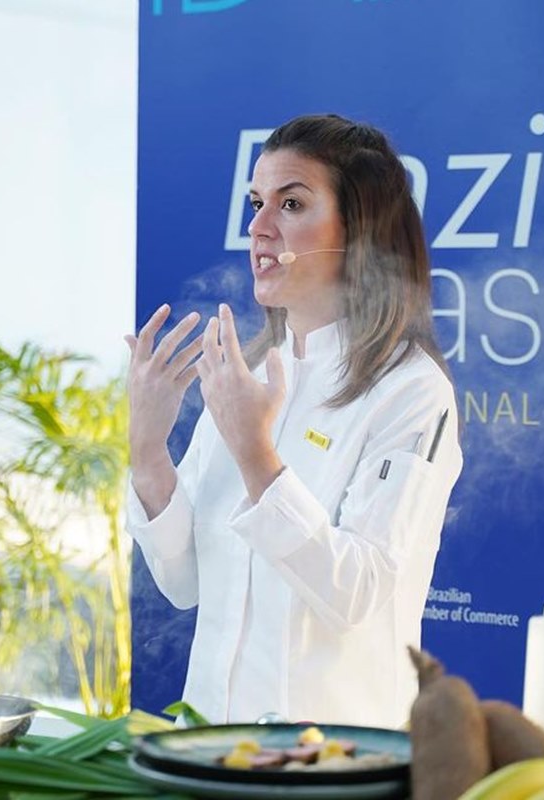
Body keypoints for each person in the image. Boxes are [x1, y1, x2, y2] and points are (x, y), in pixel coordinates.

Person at [124, 114, 462, 728]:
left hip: (333, 765)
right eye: (256, 203)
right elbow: (184, 583)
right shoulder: (243, 375)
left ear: (361, 229)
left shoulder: (411, 391)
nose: (258, 227)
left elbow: (356, 591)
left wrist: (256, 454)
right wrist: (148, 450)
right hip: (209, 753)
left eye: (292, 202)